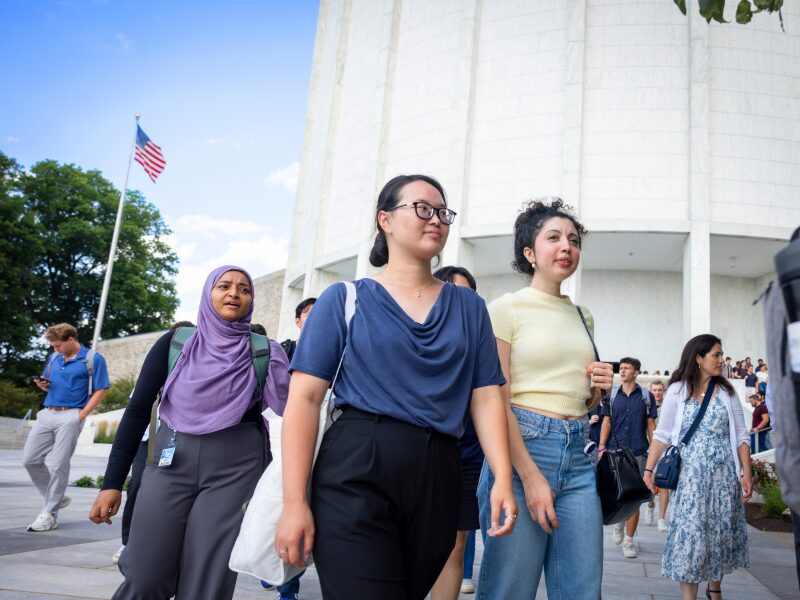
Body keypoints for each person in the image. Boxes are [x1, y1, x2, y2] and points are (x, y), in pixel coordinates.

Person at [275, 174, 517, 600]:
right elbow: (305, 399)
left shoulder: (470, 307)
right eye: (423, 208)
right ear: (384, 219)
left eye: (443, 212)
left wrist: (501, 476)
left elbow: (485, 396)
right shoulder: (343, 298)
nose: (436, 219)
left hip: (438, 471)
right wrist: (294, 500)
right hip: (357, 462)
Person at [89, 266, 290, 600]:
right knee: (143, 574)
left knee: (207, 583)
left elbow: (292, 407)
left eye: (244, 289)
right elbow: (138, 410)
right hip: (169, 464)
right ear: (207, 294)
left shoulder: (264, 351)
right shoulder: (177, 343)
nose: (233, 294)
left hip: (234, 472)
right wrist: (112, 483)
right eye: (224, 286)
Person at [476, 198, 614, 599]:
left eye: (573, 239)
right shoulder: (504, 308)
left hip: (578, 455)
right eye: (553, 237)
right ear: (529, 252)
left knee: (581, 589)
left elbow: (584, 402)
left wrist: (596, 388)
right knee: (510, 589)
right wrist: (530, 475)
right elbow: (494, 400)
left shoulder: (582, 316)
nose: (566, 246)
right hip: (522, 449)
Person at [644, 334, 751, 600]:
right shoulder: (678, 390)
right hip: (691, 479)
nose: (721, 360)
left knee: (719, 533)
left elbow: (740, 436)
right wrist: (648, 470)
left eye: (721, 354)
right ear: (699, 358)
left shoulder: (727, 392)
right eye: (716, 354)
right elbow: (662, 434)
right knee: (689, 536)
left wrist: (746, 472)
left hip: (723, 477)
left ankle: (715, 587)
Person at [114, 320, 194, 564]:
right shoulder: (155, 368)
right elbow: (136, 409)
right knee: (138, 485)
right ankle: (128, 542)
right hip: (148, 441)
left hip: (178, 442)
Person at [23, 323, 110, 532]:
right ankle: (58, 497)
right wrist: (43, 385)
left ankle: (49, 514)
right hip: (47, 413)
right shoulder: (55, 358)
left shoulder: (92, 359)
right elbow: (50, 382)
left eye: (58, 345)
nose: (55, 349)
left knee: (59, 464)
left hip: (71, 414)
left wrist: (81, 415)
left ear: (71, 340)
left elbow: (101, 389)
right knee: (30, 460)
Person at [429, 265, 482, 599]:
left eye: (467, 294)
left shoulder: (483, 344)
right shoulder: (414, 336)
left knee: (454, 546)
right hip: (419, 451)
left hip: (468, 456)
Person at [599, 357, 658, 558]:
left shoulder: (646, 397)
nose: (622, 371)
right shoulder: (612, 395)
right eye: (621, 368)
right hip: (615, 452)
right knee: (617, 493)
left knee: (634, 499)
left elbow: (651, 425)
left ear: (636, 372)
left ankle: (629, 540)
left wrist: (654, 454)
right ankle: (619, 523)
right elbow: (607, 421)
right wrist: (601, 448)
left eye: (627, 368)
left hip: (639, 452)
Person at [649, 379, 671, 532]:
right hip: (649, 450)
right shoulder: (646, 407)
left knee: (664, 485)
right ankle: (650, 505)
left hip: (665, 450)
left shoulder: (669, 408)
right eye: (654, 390)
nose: (657, 393)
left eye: (659, 390)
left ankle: (662, 518)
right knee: (649, 484)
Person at [280, 298, 316, 362]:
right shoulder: (283, 351)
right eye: (309, 315)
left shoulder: (328, 353)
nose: (315, 318)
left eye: (318, 315)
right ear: (297, 322)